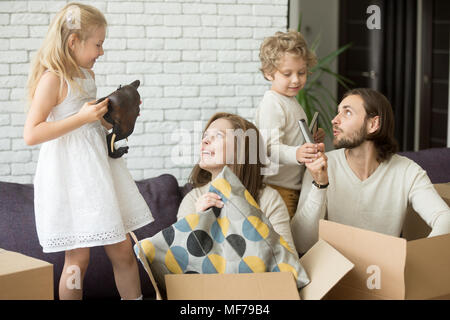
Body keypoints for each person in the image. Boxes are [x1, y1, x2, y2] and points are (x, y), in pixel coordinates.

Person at [23, 3, 153, 300]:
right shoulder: (53, 78)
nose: (101, 51)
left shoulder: (86, 75)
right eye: (98, 44)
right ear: (73, 42)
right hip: (71, 177)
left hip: (98, 172)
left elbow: (89, 128)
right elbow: (32, 133)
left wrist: (114, 117)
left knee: (123, 249)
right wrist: (82, 117)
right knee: (77, 260)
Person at [291, 88, 450, 253]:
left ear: (373, 124)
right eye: (338, 113)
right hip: (334, 271)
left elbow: (445, 218)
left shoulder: (407, 171)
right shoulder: (322, 166)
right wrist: (320, 185)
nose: (334, 120)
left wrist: (412, 259)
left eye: (347, 113)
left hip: (383, 273)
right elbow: (302, 243)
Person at [177, 112, 298, 257]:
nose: (205, 141)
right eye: (205, 136)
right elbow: (180, 261)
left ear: (242, 149)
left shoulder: (268, 199)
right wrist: (199, 221)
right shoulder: (194, 199)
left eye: (219, 135)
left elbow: (289, 258)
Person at [255, 30, 326, 219]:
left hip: (291, 186)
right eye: (287, 74)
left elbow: (292, 136)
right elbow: (269, 147)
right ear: (269, 74)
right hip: (276, 188)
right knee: (281, 242)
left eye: (301, 72)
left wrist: (310, 138)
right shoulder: (272, 102)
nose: (296, 79)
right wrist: (297, 153)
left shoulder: (290, 101)